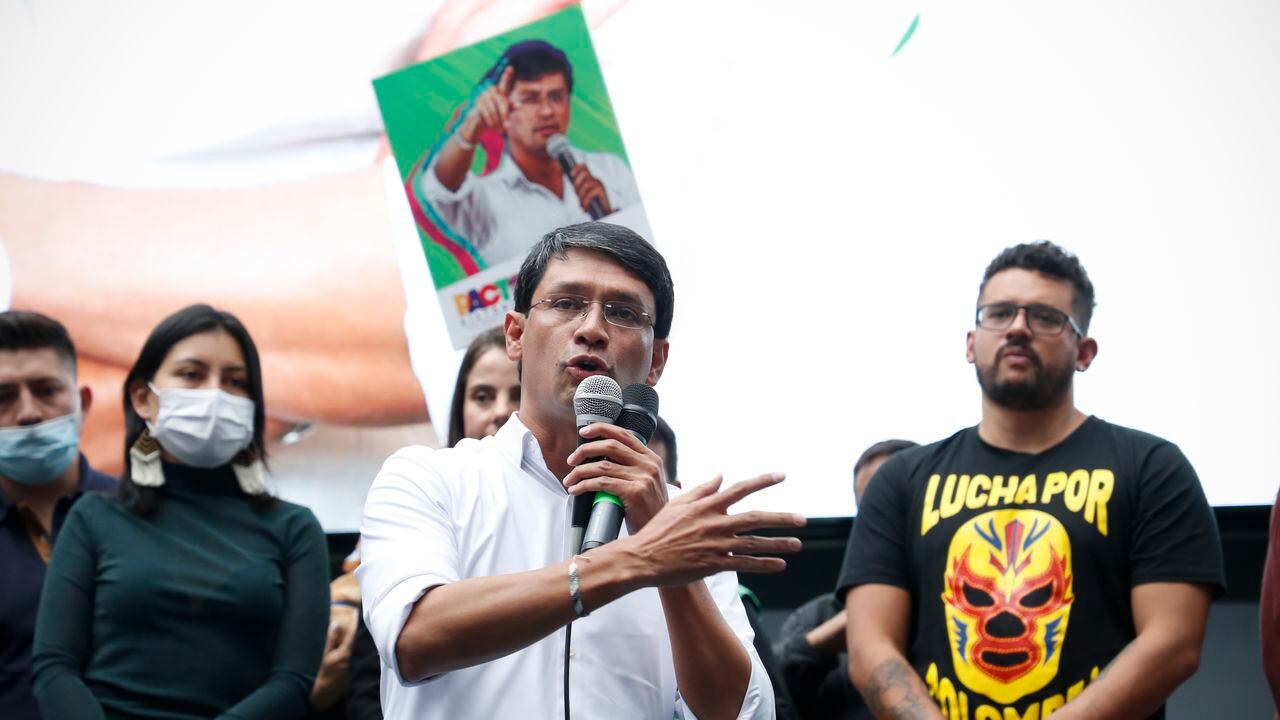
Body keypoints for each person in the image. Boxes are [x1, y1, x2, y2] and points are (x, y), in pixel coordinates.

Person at [357, 221, 804, 719]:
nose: (592, 328)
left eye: (623, 312)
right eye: (567, 303)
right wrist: (634, 561)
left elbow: (742, 715)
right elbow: (415, 641)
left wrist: (663, 544)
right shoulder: (428, 478)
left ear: (656, 361)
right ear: (516, 335)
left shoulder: (677, 521)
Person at [838, 241, 1225, 720]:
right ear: (970, 342)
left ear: (1084, 351)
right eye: (998, 314)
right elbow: (871, 649)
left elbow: (1173, 644)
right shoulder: (901, 480)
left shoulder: (1152, 468)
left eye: (1045, 317)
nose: (1018, 328)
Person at [32, 304, 330, 719]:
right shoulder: (94, 518)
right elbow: (54, 667)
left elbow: (293, 682)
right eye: (191, 375)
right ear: (142, 398)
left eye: (235, 381)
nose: (214, 393)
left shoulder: (293, 529)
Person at [343, 326, 522, 720]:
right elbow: (368, 679)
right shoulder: (417, 494)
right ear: (459, 405)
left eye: (517, 394)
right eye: (482, 396)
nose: (500, 411)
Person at [417, 41, 642, 267]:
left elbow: (650, 257)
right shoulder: (486, 201)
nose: (547, 111)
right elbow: (441, 188)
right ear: (503, 110)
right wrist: (472, 124)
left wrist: (611, 219)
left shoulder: (611, 171)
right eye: (530, 99)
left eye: (556, 97)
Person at [0, 310, 116, 720]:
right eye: (3, 397)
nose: (29, 412)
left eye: (46, 389)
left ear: (83, 403)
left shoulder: (146, 513)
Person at [775, 439, 918, 720]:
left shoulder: (969, 608)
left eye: (899, 504)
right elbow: (761, 694)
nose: (886, 521)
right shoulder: (818, 616)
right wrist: (823, 641)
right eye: (873, 510)